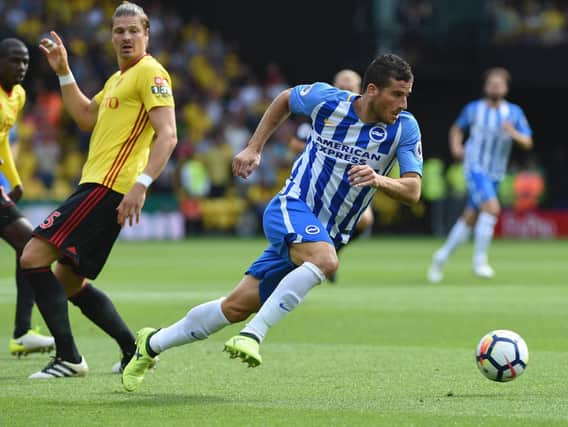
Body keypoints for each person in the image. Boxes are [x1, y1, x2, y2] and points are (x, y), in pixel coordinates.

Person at [122, 53, 423, 392]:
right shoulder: (328, 101)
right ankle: (253, 335)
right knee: (325, 261)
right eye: (397, 94)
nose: (404, 102)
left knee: (234, 306)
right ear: (371, 90)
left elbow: (413, 190)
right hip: (291, 206)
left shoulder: (404, 128)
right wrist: (254, 148)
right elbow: (284, 100)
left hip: (326, 234)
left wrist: (379, 180)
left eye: (407, 94)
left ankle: (150, 344)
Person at [19, 1, 177, 379]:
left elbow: (168, 136)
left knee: (32, 256)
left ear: (146, 35)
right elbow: (88, 117)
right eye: (118, 31)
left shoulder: (151, 73)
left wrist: (141, 184)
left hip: (108, 186)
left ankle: (69, 357)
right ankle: (133, 348)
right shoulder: (117, 79)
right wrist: (64, 72)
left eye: (132, 31)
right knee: (69, 279)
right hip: (98, 184)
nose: (125, 37)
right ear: (111, 36)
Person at [428, 67, 532, 283]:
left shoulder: (514, 112)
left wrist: (513, 133)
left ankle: (441, 256)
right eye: (491, 83)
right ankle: (480, 260)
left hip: (496, 172)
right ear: (486, 87)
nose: (495, 87)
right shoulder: (474, 109)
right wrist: (456, 146)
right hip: (475, 166)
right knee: (492, 208)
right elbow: (456, 129)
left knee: (471, 217)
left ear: (505, 88)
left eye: (499, 84)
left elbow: (528, 142)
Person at [289, 69, 375, 283]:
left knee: (366, 220)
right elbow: (295, 142)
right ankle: (310, 257)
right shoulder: (322, 113)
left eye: (351, 88)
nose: (346, 92)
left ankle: (332, 251)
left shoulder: (367, 121)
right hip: (317, 179)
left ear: (361, 90)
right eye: (342, 88)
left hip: (351, 182)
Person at [0, 38, 55, 357]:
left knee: (29, 246)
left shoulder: (17, 96)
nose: (21, 67)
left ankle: (22, 331)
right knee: (30, 245)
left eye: (25, 62)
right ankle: (22, 331)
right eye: (13, 60)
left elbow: (3, 139)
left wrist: (15, 181)